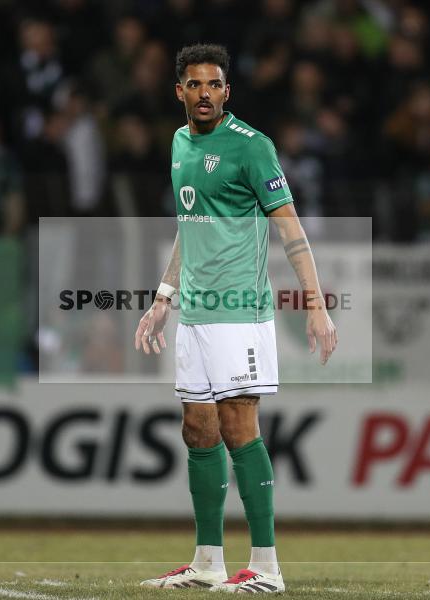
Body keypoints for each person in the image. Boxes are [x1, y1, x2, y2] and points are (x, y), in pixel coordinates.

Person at [134, 44, 337, 593]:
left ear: (227, 91)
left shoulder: (253, 148)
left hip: (239, 312)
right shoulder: (178, 143)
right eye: (194, 85)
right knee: (197, 430)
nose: (204, 94)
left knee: (238, 427)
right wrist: (163, 296)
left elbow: (291, 228)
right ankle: (207, 561)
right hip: (195, 312)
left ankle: (267, 566)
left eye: (214, 85)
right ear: (179, 91)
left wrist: (315, 305)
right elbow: (189, 223)